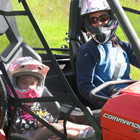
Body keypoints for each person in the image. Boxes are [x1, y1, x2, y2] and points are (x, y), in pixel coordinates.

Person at [7, 56, 95, 140]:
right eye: (24, 83)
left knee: (62, 123)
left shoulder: (32, 101)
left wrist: (51, 120)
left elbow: (41, 113)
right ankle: (83, 136)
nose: (29, 88)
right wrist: (38, 124)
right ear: (15, 84)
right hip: (26, 135)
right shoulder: (16, 104)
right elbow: (16, 124)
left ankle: (90, 129)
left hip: (37, 128)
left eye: (32, 84)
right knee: (52, 128)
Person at [76, 0, 140, 109]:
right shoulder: (88, 51)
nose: (99, 23)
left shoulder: (122, 45)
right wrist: (109, 105)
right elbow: (85, 87)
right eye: (93, 20)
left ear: (111, 19)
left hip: (128, 95)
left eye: (104, 18)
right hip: (110, 101)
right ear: (88, 23)